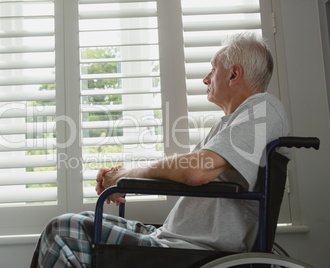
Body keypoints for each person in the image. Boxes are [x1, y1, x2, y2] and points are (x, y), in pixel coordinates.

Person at [31, 32, 290, 268]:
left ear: (234, 74)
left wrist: (127, 176)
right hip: (173, 239)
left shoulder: (262, 110)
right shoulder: (238, 121)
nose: (206, 79)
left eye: (213, 70)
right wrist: (126, 178)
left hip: (193, 249)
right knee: (80, 221)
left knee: (63, 231)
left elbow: (195, 172)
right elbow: (190, 171)